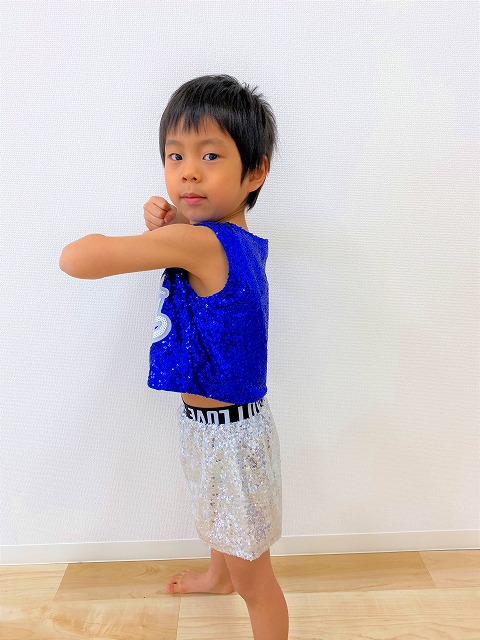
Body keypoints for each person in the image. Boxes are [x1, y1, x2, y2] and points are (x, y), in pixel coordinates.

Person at [59, 74, 288, 640]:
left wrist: (162, 236)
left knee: (258, 579)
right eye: (175, 155)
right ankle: (217, 577)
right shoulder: (233, 238)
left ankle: (239, 589)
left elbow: (77, 259)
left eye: (210, 156)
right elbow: (202, 253)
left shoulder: (199, 243)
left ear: (255, 171)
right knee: (217, 515)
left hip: (230, 439)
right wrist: (178, 225)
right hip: (218, 427)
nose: (188, 171)